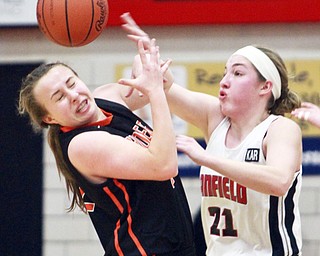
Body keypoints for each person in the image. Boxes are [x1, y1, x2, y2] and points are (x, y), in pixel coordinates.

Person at [121, 13, 303, 255]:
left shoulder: (279, 129)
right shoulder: (215, 118)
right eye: (225, 73)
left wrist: (207, 159)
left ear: (265, 86)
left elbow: (279, 181)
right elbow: (166, 88)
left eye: (237, 74)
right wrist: (150, 59)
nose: (224, 81)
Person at [18, 38, 196, 255]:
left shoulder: (107, 96)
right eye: (60, 97)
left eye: (72, 83)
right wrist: (155, 90)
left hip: (174, 243)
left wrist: (146, 59)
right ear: (49, 118)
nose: (73, 96)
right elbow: (164, 166)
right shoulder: (81, 145)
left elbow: (163, 82)